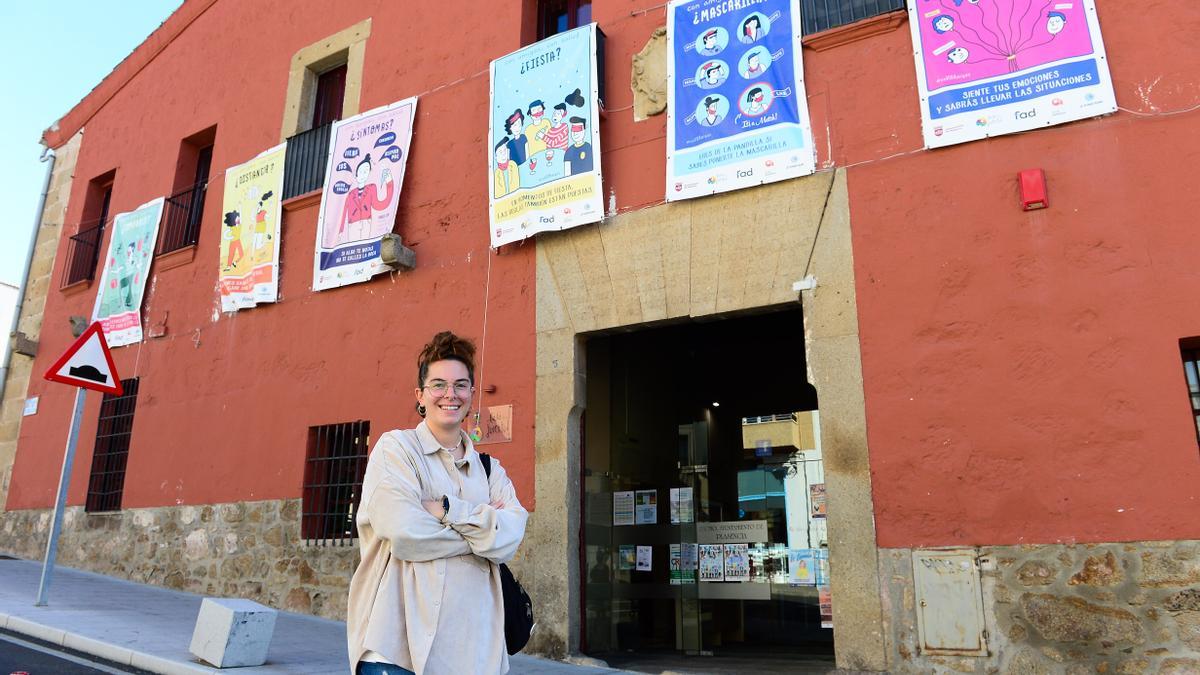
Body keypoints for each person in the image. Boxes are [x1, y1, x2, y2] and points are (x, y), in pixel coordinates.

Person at [347, 331, 528, 675]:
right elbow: (404, 533)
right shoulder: (396, 450)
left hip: (474, 655)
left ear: (472, 395)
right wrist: (480, 538)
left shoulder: (490, 471)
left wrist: (448, 511)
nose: (450, 394)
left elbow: (510, 538)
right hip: (398, 650)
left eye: (461, 385)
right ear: (421, 394)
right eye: (438, 385)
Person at [336, 154, 394, 244]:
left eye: (366, 171)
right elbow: (343, 213)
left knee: (365, 247)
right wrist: (340, 231)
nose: (363, 174)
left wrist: (389, 183)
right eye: (361, 171)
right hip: (353, 225)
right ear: (356, 175)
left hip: (366, 222)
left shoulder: (371, 188)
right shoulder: (350, 194)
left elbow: (380, 205)